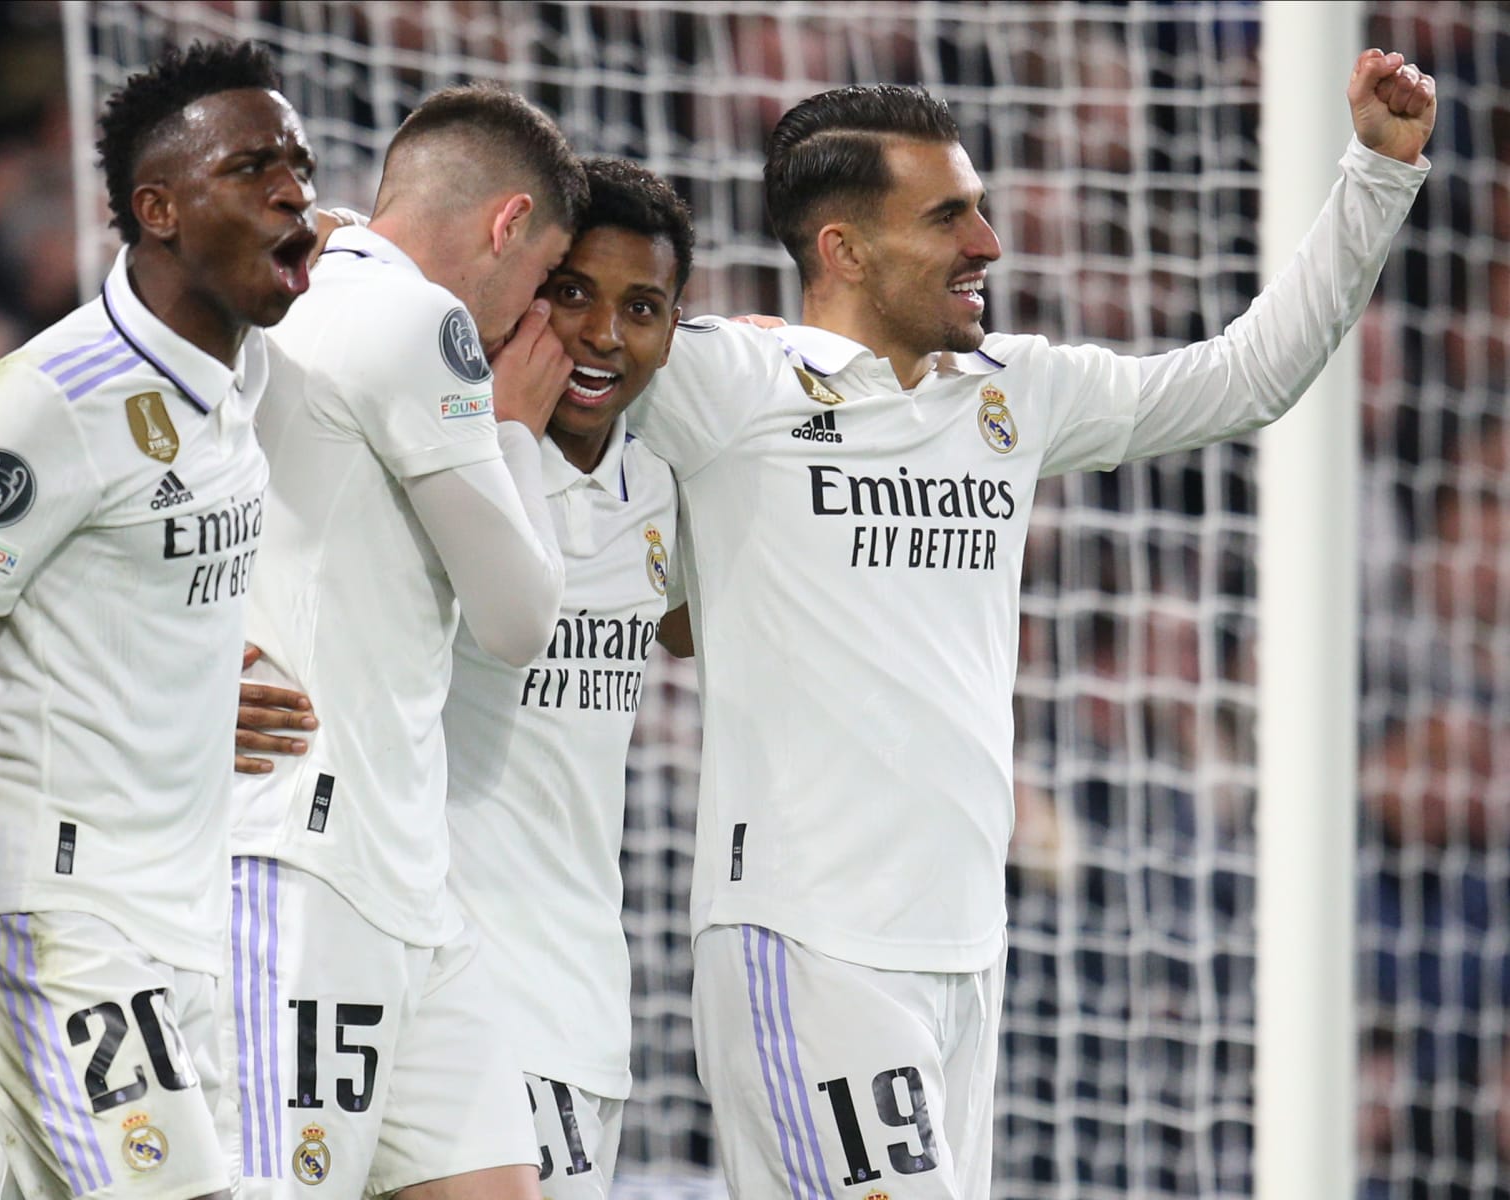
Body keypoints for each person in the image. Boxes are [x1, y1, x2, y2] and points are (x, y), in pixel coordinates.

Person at [621, 51, 1435, 1199]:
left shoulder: (1015, 391)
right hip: (808, 941)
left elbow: (1248, 376)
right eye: (949, 215)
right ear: (843, 250)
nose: (988, 245)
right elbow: (548, 367)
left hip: (965, 948)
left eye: (984, 209)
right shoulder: (731, 378)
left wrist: (1376, 176)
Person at [0, 39, 318, 1200]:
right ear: (160, 210)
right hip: (43, 903)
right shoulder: (50, 403)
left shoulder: (236, 381)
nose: (296, 188)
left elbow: (123, 598)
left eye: (298, 160)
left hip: (177, 911)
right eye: (253, 168)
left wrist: (184, 695)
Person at [222, 83, 583, 1200]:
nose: (523, 320)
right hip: (308, 860)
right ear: (507, 223)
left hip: (401, 875)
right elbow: (521, 620)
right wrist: (516, 429)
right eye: (535, 285)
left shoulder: (284, 298)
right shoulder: (411, 318)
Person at [441, 156, 693, 1198]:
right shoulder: (446, 454)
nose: (601, 334)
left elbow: (712, 633)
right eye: (573, 291)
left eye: (642, 307)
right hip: (445, 988)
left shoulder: (669, 491)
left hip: (580, 1000)